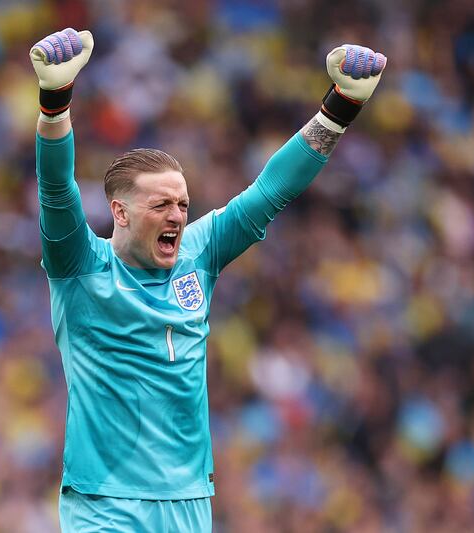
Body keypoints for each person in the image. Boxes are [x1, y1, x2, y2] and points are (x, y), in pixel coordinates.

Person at [29, 27, 386, 532]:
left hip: (189, 502)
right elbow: (56, 192)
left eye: (182, 204)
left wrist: (340, 107)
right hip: (104, 502)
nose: (177, 215)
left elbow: (269, 192)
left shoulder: (199, 253)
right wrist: (55, 104)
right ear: (120, 212)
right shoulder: (80, 264)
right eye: (161, 205)